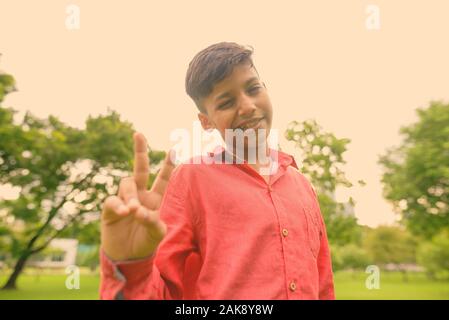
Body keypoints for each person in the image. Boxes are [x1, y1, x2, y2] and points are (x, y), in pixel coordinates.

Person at [100, 42, 335, 299]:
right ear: (206, 121)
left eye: (253, 88)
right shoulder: (193, 179)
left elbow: (322, 283)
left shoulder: (301, 184)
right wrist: (131, 266)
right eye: (225, 102)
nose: (246, 107)